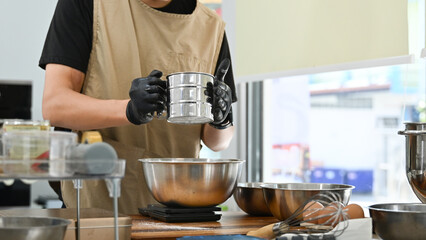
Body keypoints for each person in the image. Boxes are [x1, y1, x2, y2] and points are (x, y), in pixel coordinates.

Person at [39, 0, 237, 214]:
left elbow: (218, 143)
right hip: (98, 205)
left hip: (177, 209)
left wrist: (222, 120)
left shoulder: (210, 27)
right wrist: (129, 111)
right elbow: (55, 106)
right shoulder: (87, 5)